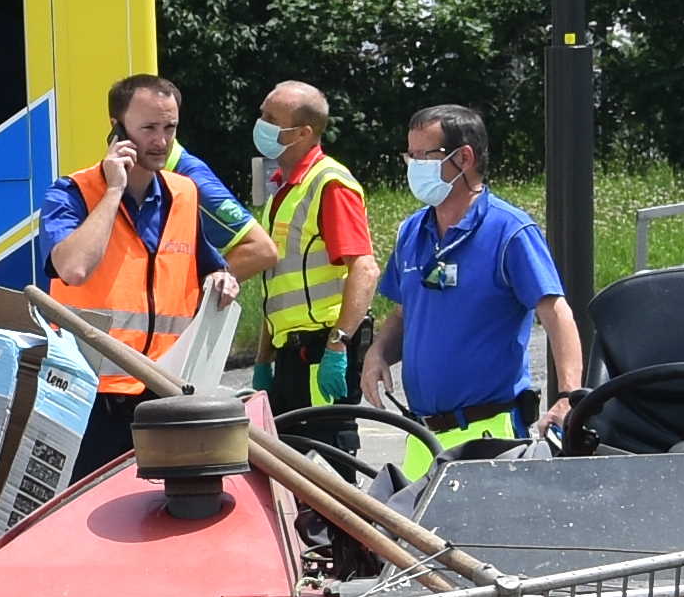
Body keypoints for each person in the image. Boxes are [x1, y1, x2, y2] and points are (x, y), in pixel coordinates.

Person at [30, 72, 239, 480]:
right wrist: (112, 192)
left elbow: (207, 264)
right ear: (117, 131)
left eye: (170, 128)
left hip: (167, 393)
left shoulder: (184, 193)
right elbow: (73, 268)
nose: (161, 142)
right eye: (148, 129)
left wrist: (222, 278)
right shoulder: (71, 193)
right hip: (91, 400)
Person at [363, 101, 583, 468]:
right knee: (409, 525)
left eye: (424, 156)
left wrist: (568, 396)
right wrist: (378, 353)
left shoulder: (509, 231)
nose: (413, 168)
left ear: (464, 158)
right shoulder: (412, 232)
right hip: (423, 436)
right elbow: (404, 311)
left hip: (488, 433)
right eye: (410, 156)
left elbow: (556, 313)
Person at [221, 80, 376, 438]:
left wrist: (338, 345)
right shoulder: (283, 189)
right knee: (290, 472)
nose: (260, 123)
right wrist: (264, 357)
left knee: (326, 467)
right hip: (291, 352)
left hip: (322, 348)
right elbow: (279, 285)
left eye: (271, 118)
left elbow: (364, 268)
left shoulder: (330, 184)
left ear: (304, 133)